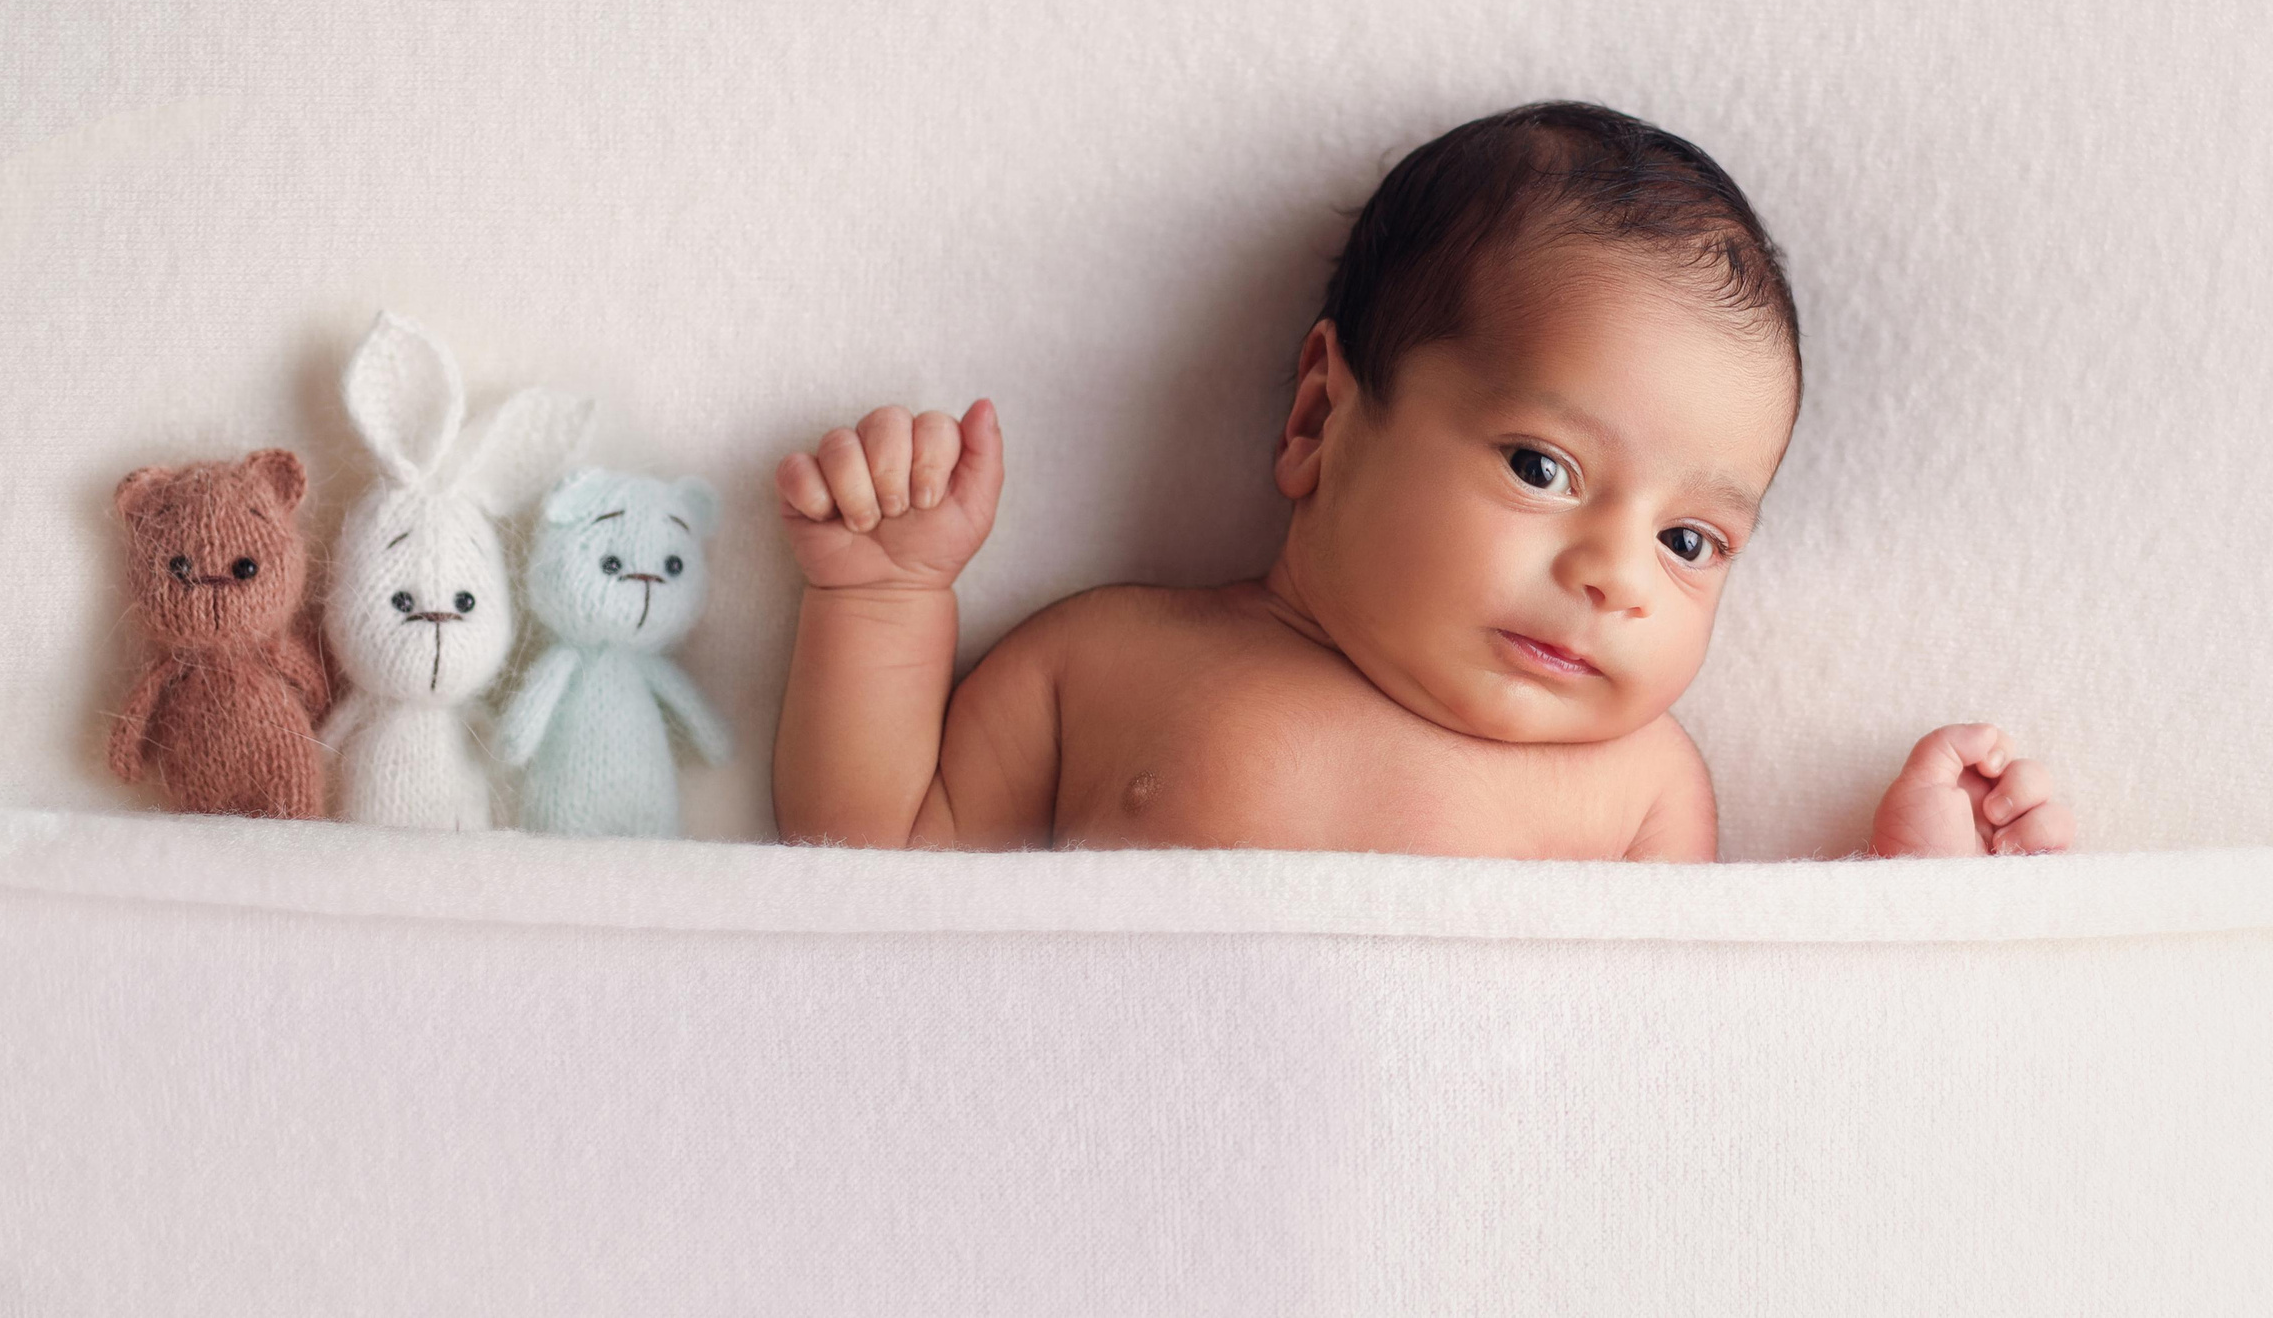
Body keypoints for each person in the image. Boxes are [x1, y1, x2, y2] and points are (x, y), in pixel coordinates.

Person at [769, 101, 2073, 862]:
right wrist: (883, 599)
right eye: (1543, 466)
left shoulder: (1641, 790)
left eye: (1690, 542)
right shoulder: (1112, 663)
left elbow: (1696, 1058)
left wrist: (1911, 900)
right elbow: (875, 874)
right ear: (1321, 417)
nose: (1614, 574)